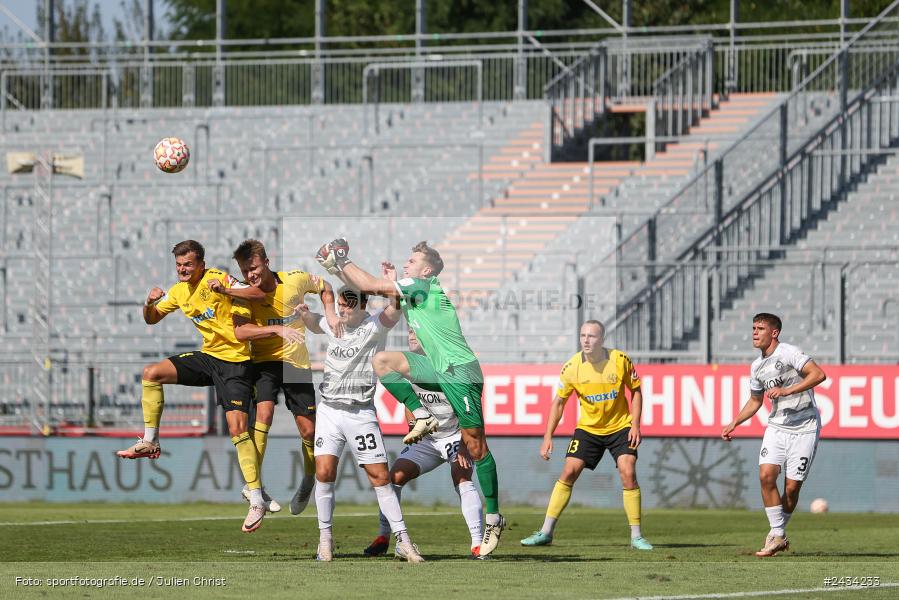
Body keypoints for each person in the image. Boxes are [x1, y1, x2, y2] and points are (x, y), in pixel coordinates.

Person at [315, 239, 505, 557]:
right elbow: (370, 289)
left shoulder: (424, 285)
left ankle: (494, 518)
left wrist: (341, 260)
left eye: (413, 260)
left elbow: (370, 286)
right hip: (436, 368)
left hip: (460, 372)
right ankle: (421, 414)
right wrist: (340, 269)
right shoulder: (413, 290)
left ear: (426, 269)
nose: (407, 263)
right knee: (383, 362)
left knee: (475, 446)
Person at [116, 240, 269, 533]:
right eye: (178, 265)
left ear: (201, 263)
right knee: (152, 372)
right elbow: (151, 319)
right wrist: (148, 302)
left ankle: (256, 497)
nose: (182, 270)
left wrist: (227, 291)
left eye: (188, 264)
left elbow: (256, 293)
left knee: (237, 429)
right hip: (209, 358)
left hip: (236, 362)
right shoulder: (178, 291)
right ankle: (151, 440)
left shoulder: (219, 278)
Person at [298, 286, 424, 563]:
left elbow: (395, 308)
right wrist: (304, 313)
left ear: (363, 306)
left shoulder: (374, 326)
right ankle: (325, 541)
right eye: (341, 305)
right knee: (324, 472)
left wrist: (391, 284)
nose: (343, 310)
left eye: (349, 306)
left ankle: (403, 540)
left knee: (380, 477)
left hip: (360, 413)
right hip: (330, 410)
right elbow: (312, 321)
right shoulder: (333, 323)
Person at [229, 239, 341, 515]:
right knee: (264, 414)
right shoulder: (245, 295)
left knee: (310, 431)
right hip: (265, 363)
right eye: (245, 272)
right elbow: (240, 332)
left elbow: (325, 286)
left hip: (296, 365)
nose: (250, 276)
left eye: (253, 268)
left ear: (266, 262)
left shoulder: (294, 280)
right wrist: (275, 331)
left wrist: (330, 313)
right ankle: (254, 485)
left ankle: (307, 480)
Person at [520, 320, 653, 551]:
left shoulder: (620, 361)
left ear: (602, 339)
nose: (586, 340)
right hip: (589, 429)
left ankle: (636, 536)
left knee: (628, 471)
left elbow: (636, 391)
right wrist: (547, 436)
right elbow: (559, 402)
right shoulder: (572, 367)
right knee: (568, 471)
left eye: (591, 336)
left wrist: (635, 425)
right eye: (583, 335)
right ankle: (546, 532)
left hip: (620, 427)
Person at [363, 327, 484, 560]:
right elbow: (408, 399)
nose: (410, 335)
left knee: (461, 476)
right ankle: (384, 536)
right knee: (393, 477)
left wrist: (464, 443)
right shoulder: (408, 366)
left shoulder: (447, 364)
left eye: (416, 332)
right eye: (408, 331)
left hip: (456, 435)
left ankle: (478, 544)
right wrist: (413, 425)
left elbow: (471, 407)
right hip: (429, 438)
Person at [722, 313, 826, 557]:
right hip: (777, 426)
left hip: (805, 425)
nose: (754, 333)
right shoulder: (756, 366)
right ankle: (777, 534)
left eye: (760, 328)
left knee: (791, 490)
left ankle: (777, 534)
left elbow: (818, 374)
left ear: (774, 333)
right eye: (753, 328)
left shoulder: (789, 353)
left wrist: (787, 389)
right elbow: (755, 400)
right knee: (766, 476)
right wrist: (734, 422)